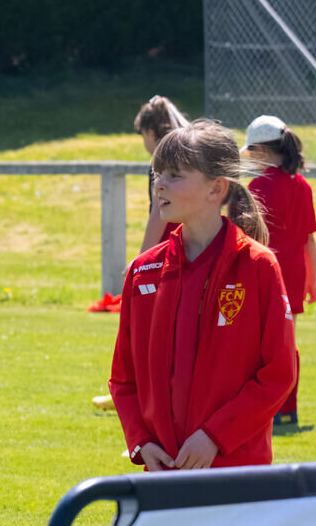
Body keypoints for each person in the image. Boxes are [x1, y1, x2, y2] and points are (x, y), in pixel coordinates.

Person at [107, 121, 295, 470]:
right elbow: (123, 378)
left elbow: (279, 373)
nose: (159, 184)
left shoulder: (258, 267)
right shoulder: (143, 272)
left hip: (236, 474)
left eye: (175, 174)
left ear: (216, 189)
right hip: (163, 472)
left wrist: (215, 436)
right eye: (157, 173)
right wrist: (141, 442)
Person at [244, 114, 316, 428]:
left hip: (264, 271)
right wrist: (311, 281)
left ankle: (267, 408)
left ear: (261, 150)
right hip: (295, 271)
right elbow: (308, 239)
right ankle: (289, 408)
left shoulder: (257, 186)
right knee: (288, 341)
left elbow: (246, 235)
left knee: (259, 342)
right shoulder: (301, 185)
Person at [133, 96, 189, 253]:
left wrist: (142, 258)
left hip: (169, 247)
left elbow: (158, 213)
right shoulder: (187, 155)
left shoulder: (161, 162)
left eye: (143, 136)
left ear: (150, 133)